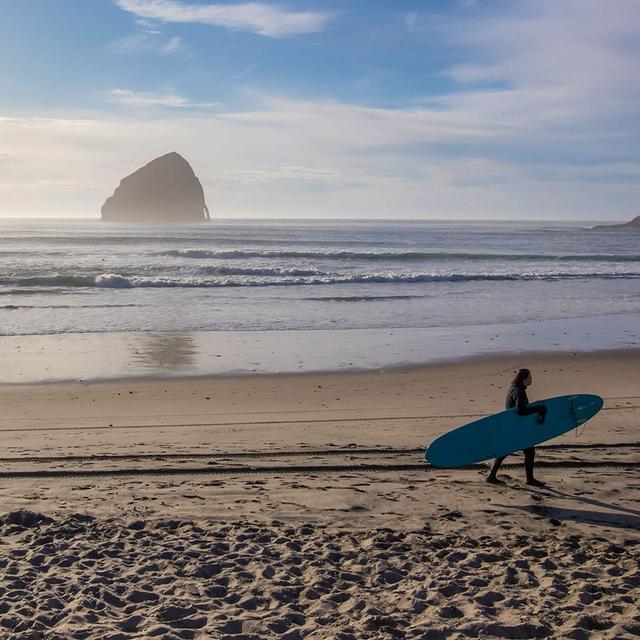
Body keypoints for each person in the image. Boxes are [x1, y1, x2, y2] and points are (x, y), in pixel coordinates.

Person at [486, 368, 547, 487]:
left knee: (506, 450)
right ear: (524, 379)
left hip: (511, 426)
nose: (531, 379)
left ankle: (491, 476)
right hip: (516, 428)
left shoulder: (513, 388)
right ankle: (530, 480)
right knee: (529, 451)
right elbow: (521, 410)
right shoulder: (519, 391)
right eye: (530, 377)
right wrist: (538, 408)